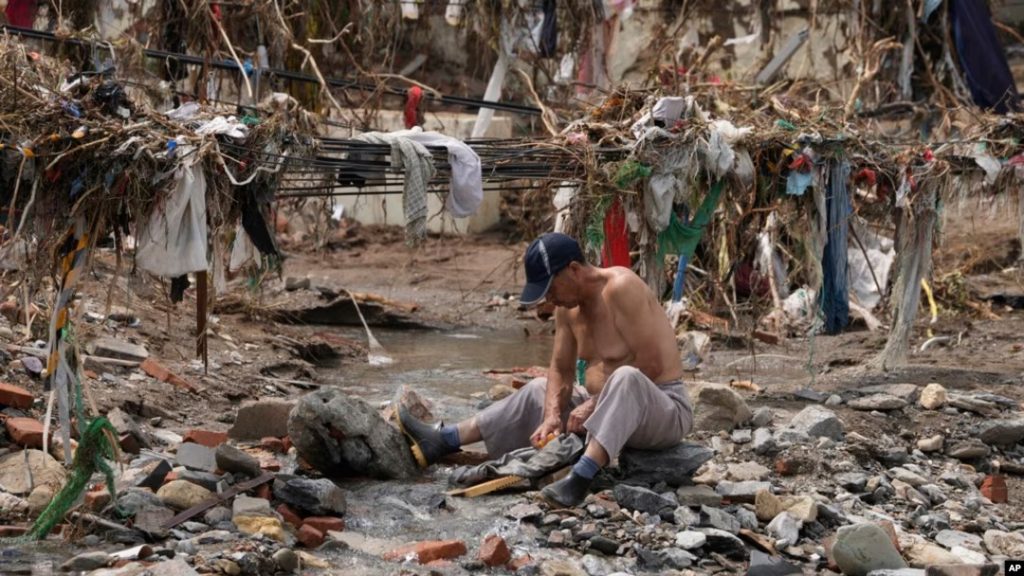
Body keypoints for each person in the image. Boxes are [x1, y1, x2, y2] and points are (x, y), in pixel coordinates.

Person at [398, 232, 694, 507]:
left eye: (550, 288)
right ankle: (444, 439)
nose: (548, 299)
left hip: (662, 408)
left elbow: (652, 365)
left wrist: (592, 404)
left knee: (626, 377)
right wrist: (552, 415)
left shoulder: (621, 287)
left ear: (575, 270)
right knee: (540, 389)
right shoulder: (567, 309)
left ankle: (580, 478)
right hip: (606, 411)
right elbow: (561, 369)